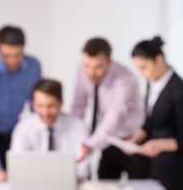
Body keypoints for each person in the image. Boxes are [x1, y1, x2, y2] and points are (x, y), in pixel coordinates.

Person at [0, 25, 42, 181]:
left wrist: (40, 146)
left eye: (17, 55)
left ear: (23, 49)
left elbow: (36, 107)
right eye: (6, 55)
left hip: (13, 135)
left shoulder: (33, 66)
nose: (12, 61)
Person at [73, 38, 145, 178]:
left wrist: (90, 144)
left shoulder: (125, 79)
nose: (91, 72)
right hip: (109, 139)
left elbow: (115, 116)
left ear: (109, 63)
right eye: (87, 65)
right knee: (104, 181)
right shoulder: (82, 69)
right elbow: (78, 106)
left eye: (98, 66)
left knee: (139, 185)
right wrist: (75, 137)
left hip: (132, 141)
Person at [125, 36, 183, 190]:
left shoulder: (178, 89)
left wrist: (161, 145)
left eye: (144, 67)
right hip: (152, 163)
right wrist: (139, 135)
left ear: (159, 59)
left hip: (173, 166)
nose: (141, 74)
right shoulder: (152, 82)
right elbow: (152, 119)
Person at [10, 79, 89, 180]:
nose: (45, 112)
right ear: (33, 104)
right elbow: (18, 166)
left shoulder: (77, 127)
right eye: (40, 106)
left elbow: (82, 169)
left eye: (51, 106)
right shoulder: (23, 128)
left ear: (61, 103)